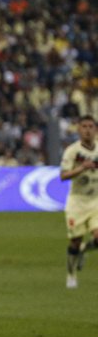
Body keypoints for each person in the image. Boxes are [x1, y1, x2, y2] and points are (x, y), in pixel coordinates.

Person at [60, 115, 98, 289]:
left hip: (96, 200)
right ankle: (71, 274)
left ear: (95, 130)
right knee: (75, 241)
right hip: (77, 202)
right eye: (84, 126)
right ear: (79, 130)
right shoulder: (72, 151)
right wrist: (81, 168)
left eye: (91, 126)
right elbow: (63, 175)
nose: (88, 130)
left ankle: (85, 249)